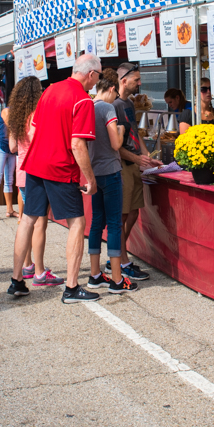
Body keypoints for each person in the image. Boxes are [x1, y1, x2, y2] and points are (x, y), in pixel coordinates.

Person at [9, 54, 101, 303]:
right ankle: (72, 287)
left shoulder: (49, 91)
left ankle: (17, 280)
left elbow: (35, 128)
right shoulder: (82, 99)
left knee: (27, 219)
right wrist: (90, 179)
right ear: (90, 74)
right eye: (97, 76)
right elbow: (77, 144)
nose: (96, 82)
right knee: (77, 223)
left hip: (35, 164)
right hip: (60, 167)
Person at [86, 70, 138, 294]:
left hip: (94, 170)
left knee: (97, 222)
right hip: (110, 170)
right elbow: (116, 143)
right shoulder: (107, 108)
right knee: (115, 224)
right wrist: (121, 129)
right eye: (115, 91)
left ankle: (95, 274)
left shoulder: (86, 106)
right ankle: (117, 279)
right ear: (110, 89)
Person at [6, 77, 56, 285]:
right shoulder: (38, 115)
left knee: (26, 221)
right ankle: (40, 271)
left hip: (21, 173)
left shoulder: (15, 117)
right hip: (37, 172)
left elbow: (12, 148)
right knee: (40, 224)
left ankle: (27, 266)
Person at [113, 63, 155, 282]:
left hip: (134, 165)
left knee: (133, 212)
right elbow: (114, 145)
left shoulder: (128, 104)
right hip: (122, 166)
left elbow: (135, 132)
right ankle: (122, 260)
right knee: (121, 215)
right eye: (136, 80)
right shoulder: (114, 105)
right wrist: (138, 158)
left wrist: (147, 156)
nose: (139, 83)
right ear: (123, 81)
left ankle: (117, 255)